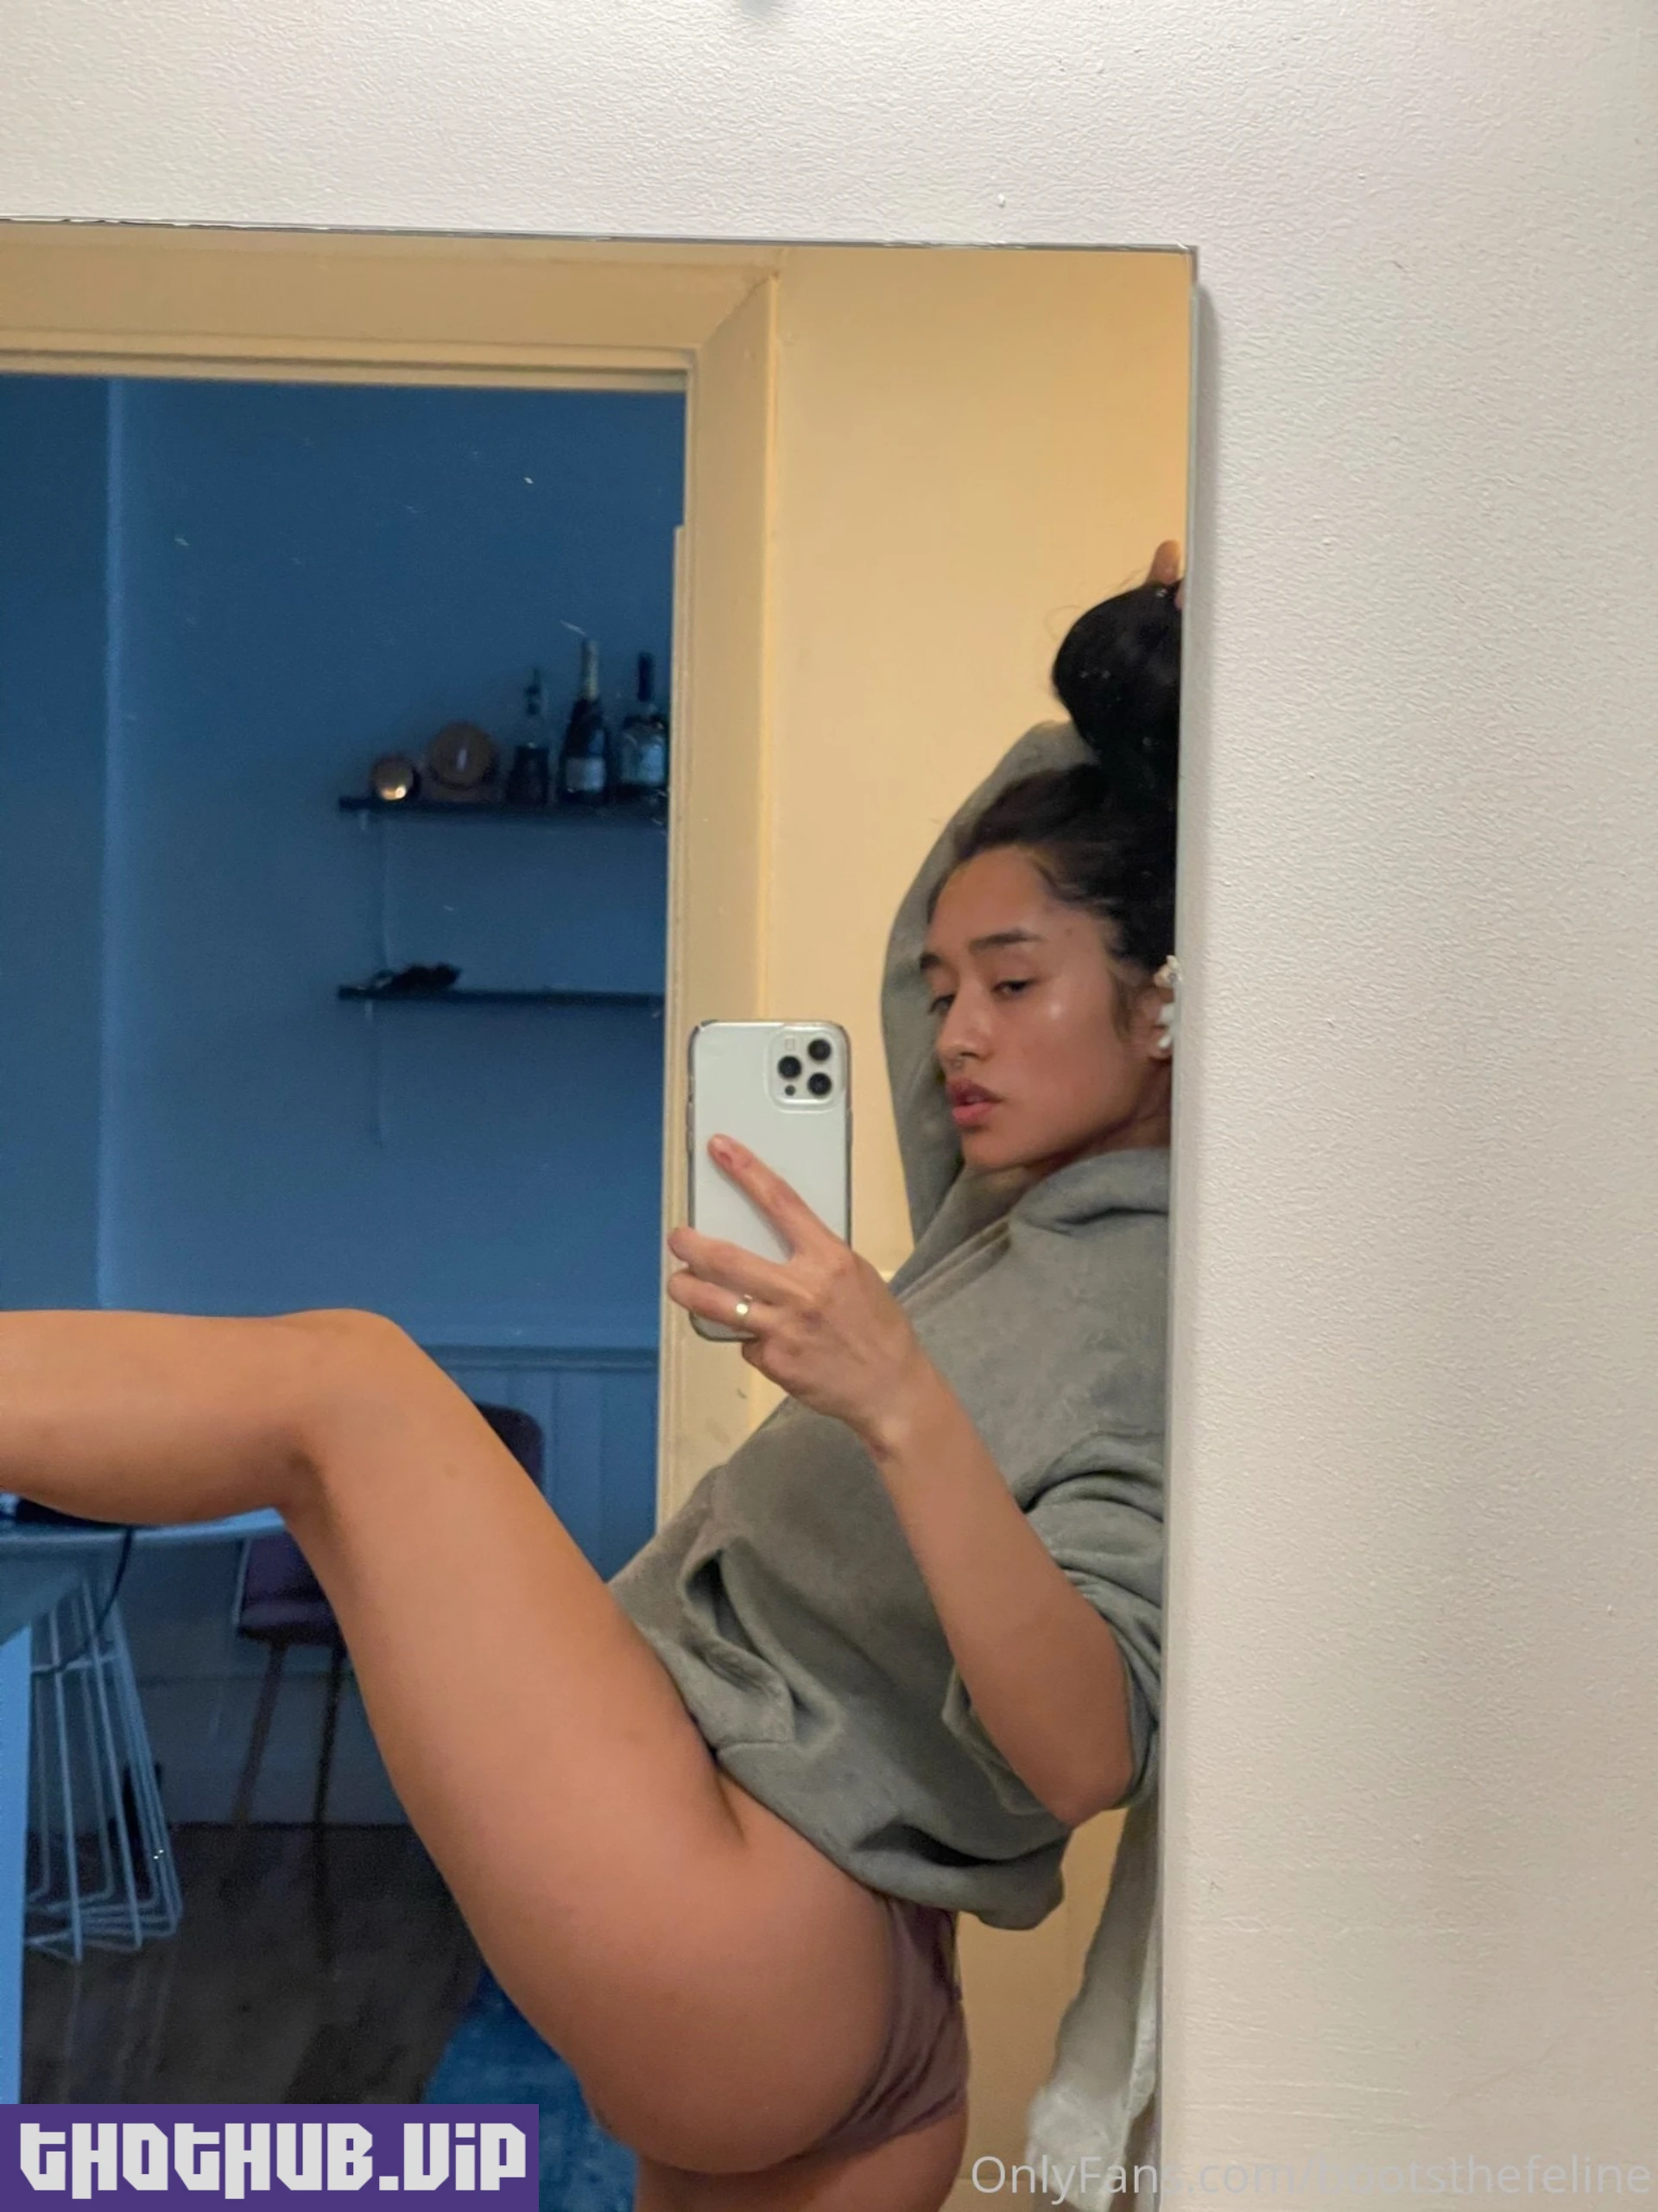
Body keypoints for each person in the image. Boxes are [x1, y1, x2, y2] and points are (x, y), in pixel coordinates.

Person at [0, 547, 1182, 2212]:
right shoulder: (1007, 1216)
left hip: (754, 1919)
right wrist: (1141, 709)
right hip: (849, 2000)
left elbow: (1087, 1753)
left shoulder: (1156, 1299)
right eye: (944, 996)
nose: (955, 1036)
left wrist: (900, 1403)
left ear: (1168, 1004)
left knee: (348, 1393)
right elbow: (964, 898)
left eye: (1011, 987)